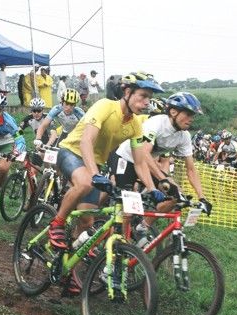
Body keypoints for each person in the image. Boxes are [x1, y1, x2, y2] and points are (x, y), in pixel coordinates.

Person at [47, 71, 167, 254]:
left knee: (87, 224)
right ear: (127, 92)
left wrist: (152, 188)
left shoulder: (135, 125)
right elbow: (86, 141)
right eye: (143, 96)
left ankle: (67, 267)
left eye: (149, 98)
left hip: (93, 165)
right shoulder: (105, 106)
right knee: (86, 182)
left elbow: (140, 162)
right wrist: (95, 174)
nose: (147, 103)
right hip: (71, 151)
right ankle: (57, 223)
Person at [110, 92, 212, 239]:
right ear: (173, 111)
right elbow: (144, 153)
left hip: (145, 164)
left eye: (193, 116)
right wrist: (163, 179)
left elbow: (191, 169)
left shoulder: (184, 136)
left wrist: (202, 197)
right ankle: (119, 250)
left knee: (176, 195)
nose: (191, 119)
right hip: (127, 159)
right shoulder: (157, 123)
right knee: (128, 208)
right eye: (188, 114)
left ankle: (142, 228)